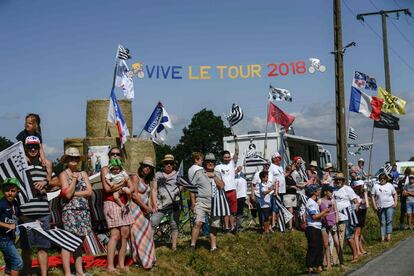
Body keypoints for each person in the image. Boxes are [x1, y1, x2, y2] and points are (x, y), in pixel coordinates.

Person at [19, 136, 60, 276]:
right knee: (26, 248)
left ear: (39, 148)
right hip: (25, 213)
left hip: (43, 212)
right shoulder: (20, 165)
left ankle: (44, 275)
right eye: (30, 146)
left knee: (43, 247)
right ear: (25, 148)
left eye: (35, 146)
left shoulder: (46, 165)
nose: (32, 149)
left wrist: (46, 183)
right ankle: (27, 273)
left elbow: (58, 182)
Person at [59, 147, 93, 276]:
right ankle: (68, 273)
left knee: (79, 241)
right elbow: (67, 196)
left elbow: (89, 192)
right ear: (66, 160)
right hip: (70, 211)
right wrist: (73, 179)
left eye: (76, 158)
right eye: (71, 158)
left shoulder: (84, 173)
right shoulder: (63, 174)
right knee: (68, 241)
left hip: (83, 211)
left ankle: (79, 272)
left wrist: (74, 193)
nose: (73, 160)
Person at [101, 147, 134, 273]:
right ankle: (110, 266)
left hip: (124, 203)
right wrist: (122, 185)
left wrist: (127, 190)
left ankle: (121, 264)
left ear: (121, 156)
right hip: (111, 202)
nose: (115, 156)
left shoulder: (123, 170)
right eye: (113, 154)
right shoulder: (105, 169)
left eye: (118, 154)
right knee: (115, 235)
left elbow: (132, 187)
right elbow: (108, 189)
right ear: (109, 156)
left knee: (125, 234)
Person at [190, 153, 225, 251]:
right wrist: (193, 203)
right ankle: (192, 245)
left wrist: (214, 176)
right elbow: (192, 189)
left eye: (212, 162)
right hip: (200, 202)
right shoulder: (198, 173)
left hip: (215, 203)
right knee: (198, 222)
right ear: (204, 163)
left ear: (215, 163)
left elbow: (222, 186)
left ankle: (213, 247)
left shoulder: (217, 173)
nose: (210, 163)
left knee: (214, 225)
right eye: (208, 161)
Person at [130, 157, 157, 269]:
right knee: (138, 235)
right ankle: (141, 260)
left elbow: (148, 196)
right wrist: (145, 207)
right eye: (146, 166)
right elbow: (134, 195)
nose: (147, 168)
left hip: (145, 210)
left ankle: (149, 259)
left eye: (150, 167)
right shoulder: (135, 177)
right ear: (141, 166)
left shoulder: (147, 180)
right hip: (136, 209)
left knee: (148, 234)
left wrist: (150, 207)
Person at [151, 154, 181, 250]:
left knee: (174, 225)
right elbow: (154, 190)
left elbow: (182, 187)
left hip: (174, 202)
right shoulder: (158, 175)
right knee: (153, 223)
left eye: (171, 163)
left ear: (173, 165)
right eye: (166, 163)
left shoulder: (178, 174)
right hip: (161, 203)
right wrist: (154, 203)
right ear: (163, 164)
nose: (169, 165)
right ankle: (149, 246)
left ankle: (174, 247)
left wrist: (179, 190)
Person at [333, 172, 359, 262]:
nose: (338, 181)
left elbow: (355, 201)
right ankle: (338, 258)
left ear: (343, 181)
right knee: (338, 238)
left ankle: (355, 255)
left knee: (348, 236)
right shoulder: (333, 190)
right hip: (337, 216)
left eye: (340, 179)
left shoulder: (347, 189)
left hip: (346, 215)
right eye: (337, 180)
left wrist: (355, 211)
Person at [304, 184, 330, 274]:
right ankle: (310, 267)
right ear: (314, 192)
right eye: (318, 190)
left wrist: (323, 214)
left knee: (319, 247)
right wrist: (324, 211)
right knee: (313, 247)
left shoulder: (314, 202)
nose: (319, 191)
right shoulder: (310, 202)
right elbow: (314, 216)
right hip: (312, 227)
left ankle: (319, 266)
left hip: (317, 227)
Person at [215, 139, 239, 233]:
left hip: (232, 190)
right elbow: (215, 179)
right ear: (222, 157)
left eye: (228, 157)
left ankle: (232, 227)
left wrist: (236, 141)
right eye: (225, 157)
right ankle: (226, 227)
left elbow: (237, 152)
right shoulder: (218, 167)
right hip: (223, 191)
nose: (227, 158)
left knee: (233, 211)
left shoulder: (232, 164)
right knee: (225, 210)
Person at [0, 178, 23, 276]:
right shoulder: (1, 204)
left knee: (9, 265)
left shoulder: (15, 203)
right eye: (7, 190)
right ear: (2, 191)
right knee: (17, 262)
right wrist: (7, 225)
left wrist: (35, 221)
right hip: (3, 238)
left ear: (18, 191)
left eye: (13, 191)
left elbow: (20, 216)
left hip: (11, 237)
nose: (9, 193)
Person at [319, 185, 342, 269]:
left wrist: (336, 221)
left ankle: (341, 260)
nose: (332, 193)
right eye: (330, 191)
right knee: (326, 244)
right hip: (324, 223)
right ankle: (329, 264)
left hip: (333, 223)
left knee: (337, 242)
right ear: (325, 192)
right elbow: (318, 212)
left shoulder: (332, 201)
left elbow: (336, 211)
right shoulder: (320, 201)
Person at [372, 173, 398, 242]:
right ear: (379, 179)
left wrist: (395, 202)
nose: (382, 180)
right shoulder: (376, 186)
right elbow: (372, 196)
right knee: (382, 222)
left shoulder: (390, 185)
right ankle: (382, 238)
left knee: (389, 220)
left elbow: (395, 194)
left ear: (386, 179)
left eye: (383, 179)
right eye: (381, 179)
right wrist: (374, 205)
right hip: (380, 207)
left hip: (390, 205)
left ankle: (388, 236)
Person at [251, 163, 273, 230]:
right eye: (265, 165)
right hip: (259, 196)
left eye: (268, 165)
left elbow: (272, 183)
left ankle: (268, 227)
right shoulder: (257, 174)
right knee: (261, 213)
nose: (266, 166)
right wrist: (252, 195)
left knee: (268, 214)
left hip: (269, 197)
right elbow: (253, 184)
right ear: (262, 165)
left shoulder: (271, 174)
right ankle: (262, 227)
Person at [352, 180, 369, 256]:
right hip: (358, 213)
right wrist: (360, 203)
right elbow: (355, 208)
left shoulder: (362, 194)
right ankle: (357, 251)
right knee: (357, 233)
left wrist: (366, 195)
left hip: (363, 212)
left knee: (360, 233)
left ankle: (361, 249)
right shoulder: (354, 196)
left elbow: (367, 204)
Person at [269, 152, 284, 229]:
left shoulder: (280, 167)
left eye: (279, 158)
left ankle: (279, 223)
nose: (279, 160)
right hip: (275, 191)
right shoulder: (271, 167)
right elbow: (270, 179)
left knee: (279, 207)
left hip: (281, 190)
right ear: (274, 159)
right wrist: (272, 189)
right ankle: (273, 223)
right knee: (274, 208)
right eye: (277, 158)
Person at [284, 165, 298, 231]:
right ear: (287, 170)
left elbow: (295, 184)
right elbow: (284, 187)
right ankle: (290, 226)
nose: (291, 172)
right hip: (288, 195)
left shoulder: (291, 177)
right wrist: (292, 187)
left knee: (293, 211)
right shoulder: (285, 177)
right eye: (290, 171)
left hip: (293, 195)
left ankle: (291, 225)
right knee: (290, 211)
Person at [235, 167, 247, 232]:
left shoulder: (243, 177)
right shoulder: (234, 177)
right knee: (235, 212)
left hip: (242, 196)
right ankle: (235, 226)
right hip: (236, 196)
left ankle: (239, 226)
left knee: (240, 212)